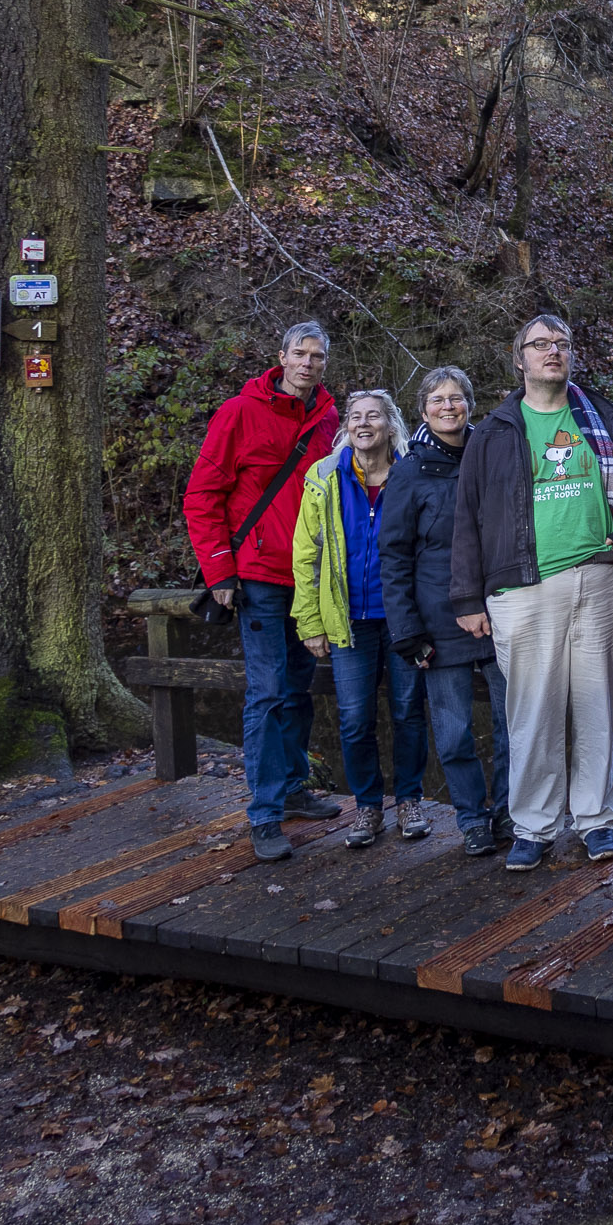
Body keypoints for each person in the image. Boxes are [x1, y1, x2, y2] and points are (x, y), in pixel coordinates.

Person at [450, 315, 613, 871]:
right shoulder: (494, 432)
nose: (552, 351)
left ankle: (597, 819)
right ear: (520, 359)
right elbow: (467, 516)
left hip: (600, 577)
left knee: (597, 705)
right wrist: (466, 598)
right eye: (540, 344)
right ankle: (534, 826)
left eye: (561, 343)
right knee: (532, 713)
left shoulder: (607, 420)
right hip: (524, 587)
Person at [183, 321, 347, 861]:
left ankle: (294, 787)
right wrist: (219, 571)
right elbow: (202, 495)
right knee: (268, 691)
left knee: (299, 689)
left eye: (317, 356)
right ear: (281, 357)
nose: (308, 363)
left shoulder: (329, 420)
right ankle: (265, 813)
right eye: (300, 353)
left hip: (312, 577)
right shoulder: (239, 413)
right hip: (259, 575)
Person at [381, 365, 516, 857]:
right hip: (438, 620)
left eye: (456, 398)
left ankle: (509, 812)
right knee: (455, 731)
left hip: (499, 608)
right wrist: (407, 630)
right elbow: (394, 555)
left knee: (512, 724)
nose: (448, 407)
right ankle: (472, 818)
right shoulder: (409, 470)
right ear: (423, 411)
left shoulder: (493, 454)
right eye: (437, 400)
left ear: (469, 405)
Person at [292, 388, 427, 848]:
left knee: (408, 711)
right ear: (346, 426)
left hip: (404, 617)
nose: (363, 424)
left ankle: (409, 800)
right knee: (353, 718)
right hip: (347, 619)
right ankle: (368, 806)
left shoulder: (412, 473)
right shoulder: (324, 476)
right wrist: (310, 622)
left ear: (391, 425)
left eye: (373, 416)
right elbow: (305, 555)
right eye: (355, 416)